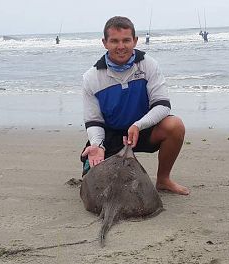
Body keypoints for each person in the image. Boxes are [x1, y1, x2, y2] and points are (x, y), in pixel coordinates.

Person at [81, 16, 189, 195]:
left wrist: (138, 125)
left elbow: (162, 105)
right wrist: (97, 144)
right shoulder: (91, 77)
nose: (121, 46)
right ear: (104, 43)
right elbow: (94, 121)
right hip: (111, 134)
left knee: (174, 125)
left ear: (135, 41)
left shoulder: (148, 64)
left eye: (126, 40)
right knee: (96, 188)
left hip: (143, 130)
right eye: (114, 41)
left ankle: (163, 180)